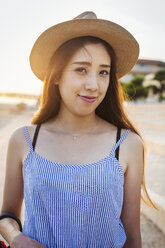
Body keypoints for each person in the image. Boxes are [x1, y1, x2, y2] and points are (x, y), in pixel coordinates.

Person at [0, 11, 156, 248]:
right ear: (56, 76)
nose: (93, 85)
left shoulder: (127, 144)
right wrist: (17, 238)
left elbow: (133, 239)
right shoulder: (24, 140)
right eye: (81, 69)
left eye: (103, 72)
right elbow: (7, 215)